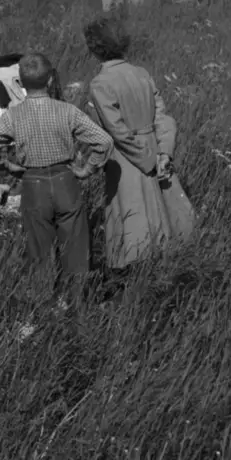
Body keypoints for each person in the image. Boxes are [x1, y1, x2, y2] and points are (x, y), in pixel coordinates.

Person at [0, 53, 113, 294]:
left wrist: (6, 165)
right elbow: (104, 141)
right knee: (76, 251)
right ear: (50, 80)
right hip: (65, 181)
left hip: (33, 184)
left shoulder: (13, 116)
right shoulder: (67, 111)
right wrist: (88, 169)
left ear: (21, 83)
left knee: (39, 252)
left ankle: (45, 304)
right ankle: (76, 303)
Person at [84, 17, 185, 270]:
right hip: (152, 145)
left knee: (132, 216)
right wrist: (164, 153)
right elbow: (162, 117)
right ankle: (162, 266)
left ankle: (134, 273)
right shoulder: (141, 74)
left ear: (94, 48)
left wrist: (148, 161)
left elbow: (116, 131)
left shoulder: (100, 83)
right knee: (162, 214)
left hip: (126, 157)